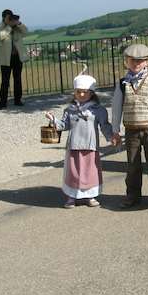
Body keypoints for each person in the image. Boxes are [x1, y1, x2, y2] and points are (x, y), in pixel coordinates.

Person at [110, 43, 148, 209]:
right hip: (131, 131)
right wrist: (115, 131)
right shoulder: (122, 84)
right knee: (132, 164)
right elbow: (116, 108)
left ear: (146, 62)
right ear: (126, 62)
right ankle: (132, 194)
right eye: (132, 61)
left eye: (140, 61)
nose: (136, 64)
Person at [46, 74, 113, 208]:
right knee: (74, 172)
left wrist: (111, 137)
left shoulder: (98, 110)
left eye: (85, 92)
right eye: (78, 92)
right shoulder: (70, 110)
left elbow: (104, 125)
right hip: (74, 146)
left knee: (90, 171)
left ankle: (90, 195)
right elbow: (64, 125)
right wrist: (53, 119)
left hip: (91, 146)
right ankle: (72, 196)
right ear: (74, 92)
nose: (81, 94)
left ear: (92, 93)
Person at [0, 9, 28, 109]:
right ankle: (3, 103)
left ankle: (18, 100)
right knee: (5, 81)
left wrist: (18, 23)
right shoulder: (0, 27)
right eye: (8, 18)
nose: (10, 19)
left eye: (11, 17)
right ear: (4, 18)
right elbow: (0, 37)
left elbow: (26, 32)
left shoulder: (17, 27)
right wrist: (9, 26)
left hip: (17, 57)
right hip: (6, 59)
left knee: (17, 79)